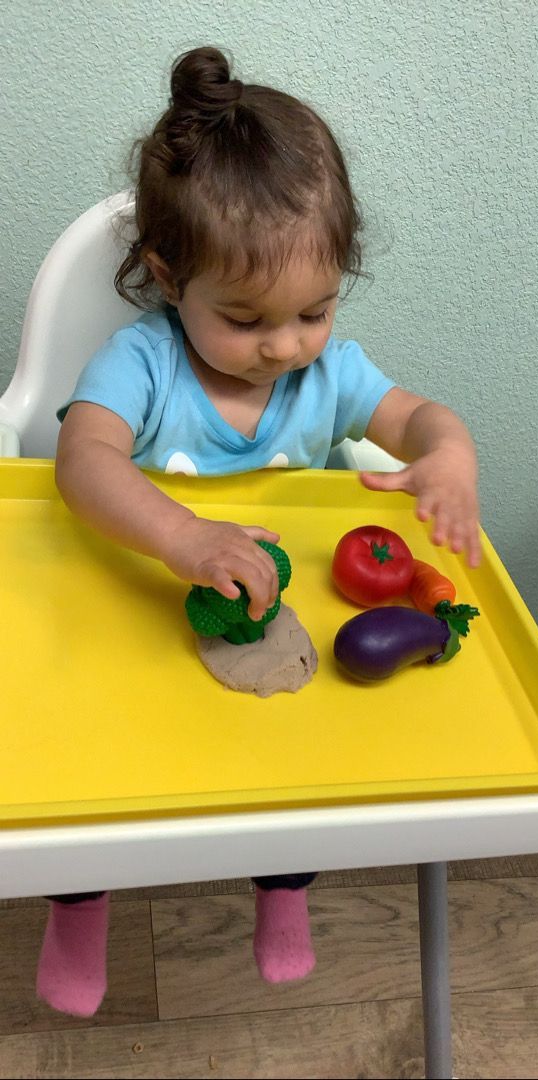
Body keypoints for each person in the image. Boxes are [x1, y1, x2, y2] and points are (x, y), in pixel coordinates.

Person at [38, 45, 481, 1019]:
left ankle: (282, 888)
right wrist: (181, 537)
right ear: (168, 278)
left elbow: (420, 421)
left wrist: (448, 454)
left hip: (281, 629)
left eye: (313, 311)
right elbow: (82, 463)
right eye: (244, 320)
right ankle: (78, 903)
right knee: (93, 768)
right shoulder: (141, 365)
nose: (283, 347)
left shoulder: (330, 378)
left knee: (303, 771)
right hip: (141, 619)